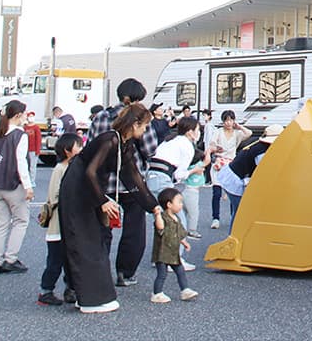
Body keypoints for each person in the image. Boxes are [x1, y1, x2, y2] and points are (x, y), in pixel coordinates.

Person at [59, 104, 162, 313]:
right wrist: (102, 201)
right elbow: (89, 171)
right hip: (78, 188)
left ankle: (85, 295)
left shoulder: (125, 144)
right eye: (145, 126)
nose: (145, 131)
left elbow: (133, 178)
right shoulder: (111, 139)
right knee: (85, 241)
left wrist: (154, 207)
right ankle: (90, 300)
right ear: (135, 124)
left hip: (88, 189)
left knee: (93, 240)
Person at [87, 78, 159, 289]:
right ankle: (125, 273)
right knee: (134, 230)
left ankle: (99, 273)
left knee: (103, 230)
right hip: (132, 185)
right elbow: (151, 149)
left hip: (102, 183)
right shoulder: (139, 118)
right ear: (133, 99)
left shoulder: (101, 116)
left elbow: (91, 147)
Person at [147, 116, 209, 264]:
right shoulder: (187, 145)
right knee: (177, 220)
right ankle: (175, 260)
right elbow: (179, 174)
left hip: (151, 178)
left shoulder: (170, 139)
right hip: (163, 179)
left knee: (161, 220)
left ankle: (159, 258)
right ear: (190, 132)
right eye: (197, 130)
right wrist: (196, 170)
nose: (198, 133)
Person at [0, 100, 34, 274]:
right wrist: (28, 186)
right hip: (13, 184)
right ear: (17, 115)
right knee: (21, 221)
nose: (25, 117)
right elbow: (21, 161)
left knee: (1, 224)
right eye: (24, 114)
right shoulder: (19, 135)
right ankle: (10, 258)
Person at [37, 132, 84, 306]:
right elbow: (54, 196)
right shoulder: (60, 169)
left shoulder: (74, 167)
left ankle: (70, 289)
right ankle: (46, 291)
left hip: (70, 224)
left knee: (71, 260)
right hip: (58, 225)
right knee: (55, 261)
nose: (81, 148)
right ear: (67, 150)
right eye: (78, 146)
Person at [216, 124, 283, 230]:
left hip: (230, 176)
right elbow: (263, 173)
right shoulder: (262, 152)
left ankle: (234, 235)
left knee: (237, 212)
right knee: (241, 214)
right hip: (235, 181)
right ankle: (235, 237)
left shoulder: (258, 144)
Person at [150, 187, 199, 303]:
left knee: (180, 271)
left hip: (173, 252)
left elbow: (179, 233)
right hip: (162, 253)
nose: (181, 205)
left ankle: (185, 290)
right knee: (162, 274)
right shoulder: (163, 217)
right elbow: (160, 227)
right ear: (169, 204)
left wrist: (184, 242)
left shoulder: (176, 218)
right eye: (179, 202)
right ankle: (156, 293)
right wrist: (157, 215)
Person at [206, 110, 252, 229]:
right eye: (226, 120)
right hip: (219, 163)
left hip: (232, 164)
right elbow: (211, 145)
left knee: (233, 192)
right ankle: (215, 218)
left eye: (231, 120)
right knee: (217, 192)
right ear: (223, 121)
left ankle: (234, 216)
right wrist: (216, 148)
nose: (228, 123)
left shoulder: (237, 133)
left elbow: (249, 133)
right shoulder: (218, 132)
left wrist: (239, 126)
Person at [24, 114, 42, 188]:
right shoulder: (25, 127)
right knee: (25, 165)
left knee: (32, 166)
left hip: (33, 149)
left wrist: (38, 150)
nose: (31, 118)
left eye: (32, 116)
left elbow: (38, 139)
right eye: (29, 116)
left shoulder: (36, 127)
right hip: (25, 149)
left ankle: (32, 181)